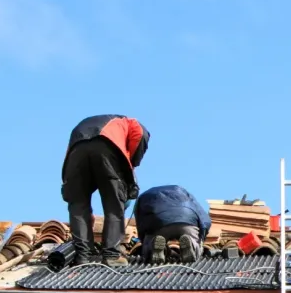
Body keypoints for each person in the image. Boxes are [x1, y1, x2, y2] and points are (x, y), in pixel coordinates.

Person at [61, 114, 150, 267]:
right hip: (106, 147)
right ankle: (111, 255)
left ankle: (83, 256)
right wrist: (132, 166)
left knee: (78, 205)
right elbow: (139, 134)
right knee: (114, 206)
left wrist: (70, 187)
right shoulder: (129, 122)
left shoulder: (84, 126)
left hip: (76, 152)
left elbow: (69, 156)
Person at [133, 185, 211, 264]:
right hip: (186, 220)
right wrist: (201, 237)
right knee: (195, 242)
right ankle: (191, 245)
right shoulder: (185, 193)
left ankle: (155, 249)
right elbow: (205, 219)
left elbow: (140, 223)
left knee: (150, 243)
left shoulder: (144, 196)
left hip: (158, 222)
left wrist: (145, 240)